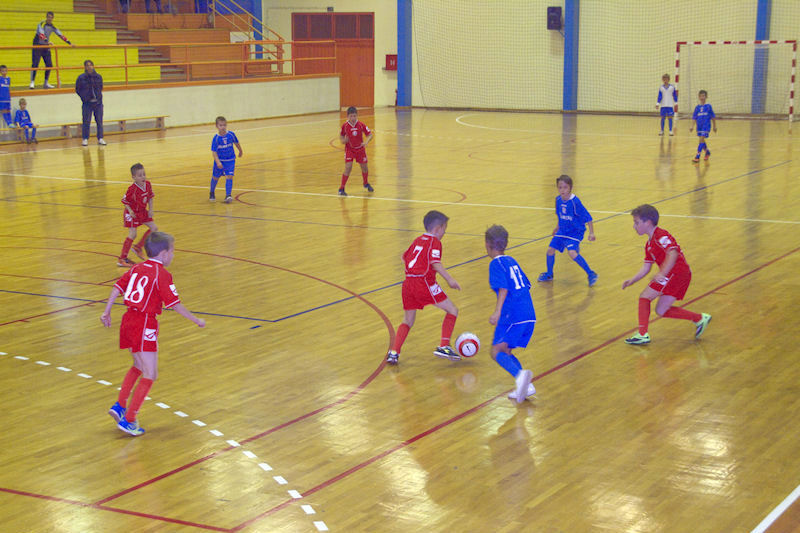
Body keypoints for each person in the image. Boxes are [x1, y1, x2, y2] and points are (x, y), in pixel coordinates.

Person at [101, 231, 206, 436]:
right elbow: (174, 304)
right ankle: (129, 419)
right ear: (164, 253)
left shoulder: (136, 268)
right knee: (151, 373)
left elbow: (117, 287)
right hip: (144, 323)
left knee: (138, 366)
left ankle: (120, 405)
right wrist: (196, 320)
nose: (173, 255)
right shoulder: (162, 274)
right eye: (172, 251)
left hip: (128, 320)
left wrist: (107, 311)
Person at [621, 204, 711, 345]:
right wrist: (632, 280)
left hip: (676, 273)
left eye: (636, 223)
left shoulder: (661, 235)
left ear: (648, 222)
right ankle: (699, 318)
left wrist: (662, 273)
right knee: (661, 310)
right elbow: (646, 267)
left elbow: (673, 253)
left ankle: (643, 334)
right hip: (678, 274)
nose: (634, 226)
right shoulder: (649, 244)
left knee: (645, 297)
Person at [386, 210, 461, 365]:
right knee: (452, 310)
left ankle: (394, 353)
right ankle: (444, 346)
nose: (444, 233)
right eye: (444, 229)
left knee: (408, 320)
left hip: (408, 283)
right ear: (437, 229)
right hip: (424, 282)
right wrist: (450, 279)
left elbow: (404, 257)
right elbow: (435, 262)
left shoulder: (418, 240)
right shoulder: (435, 242)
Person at [485, 225, 536, 403]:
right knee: (505, 351)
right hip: (528, 312)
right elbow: (527, 285)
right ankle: (525, 386)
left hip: (512, 314)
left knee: (495, 351)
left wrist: (497, 311)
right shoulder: (512, 261)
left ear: (487, 244)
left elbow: (503, 288)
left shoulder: (495, 264)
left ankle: (522, 379)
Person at [537, 175, 598, 286]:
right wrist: (557, 228)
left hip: (575, 232)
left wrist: (591, 233)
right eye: (560, 187)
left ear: (570, 188)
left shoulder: (575, 202)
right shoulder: (558, 200)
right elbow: (560, 215)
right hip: (562, 231)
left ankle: (591, 273)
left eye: (565, 187)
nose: (562, 190)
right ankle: (549, 274)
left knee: (572, 253)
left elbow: (588, 217)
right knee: (550, 250)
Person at [118, 163, 158, 267]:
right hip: (132, 213)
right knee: (133, 234)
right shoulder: (132, 189)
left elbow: (150, 197)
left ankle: (138, 247)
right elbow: (125, 201)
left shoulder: (148, 184)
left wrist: (151, 209)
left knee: (154, 228)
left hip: (142, 211)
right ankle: (122, 259)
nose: (143, 177)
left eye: (144, 174)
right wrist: (130, 211)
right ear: (134, 177)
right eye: (140, 175)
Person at [30, 11, 74, 89]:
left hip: (46, 46)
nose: (49, 19)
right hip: (37, 45)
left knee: (49, 65)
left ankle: (46, 82)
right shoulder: (41, 24)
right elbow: (41, 34)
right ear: (46, 17)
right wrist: (47, 41)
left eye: (51, 17)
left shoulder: (52, 26)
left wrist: (69, 43)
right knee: (35, 64)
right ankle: (32, 82)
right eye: (48, 17)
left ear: (53, 18)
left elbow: (60, 34)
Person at [338, 106, 374, 196]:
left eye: (354, 116)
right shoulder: (345, 126)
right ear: (348, 117)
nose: (353, 118)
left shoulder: (361, 125)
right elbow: (341, 136)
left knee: (365, 168)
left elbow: (370, 135)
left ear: (357, 116)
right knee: (348, 167)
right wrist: (343, 141)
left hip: (360, 149)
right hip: (350, 150)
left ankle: (365, 183)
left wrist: (366, 142)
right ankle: (341, 188)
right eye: (351, 116)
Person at [209, 116, 242, 203]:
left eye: (224, 125)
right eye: (220, 125)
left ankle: (228, 195)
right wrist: (218, 162)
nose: (223, 127)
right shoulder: (216, 138)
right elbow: (214, 152)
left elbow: (236, 142)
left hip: (230, 160)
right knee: (215, 177)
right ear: (217, 126)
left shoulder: (231, 134)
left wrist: (240, 150)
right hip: (220, 161)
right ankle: (212, 192)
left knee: (229, 176)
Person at [75, 59, 105, 146]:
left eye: (90, 65)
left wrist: (98, 97)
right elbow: (78, 89)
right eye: (87, 65)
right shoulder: (81, 78)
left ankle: (100, 138)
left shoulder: (98, 77)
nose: (89, 67)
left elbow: (101, 87)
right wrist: (84, 97)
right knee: (86, 121)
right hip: (87, 104)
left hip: (98, 103)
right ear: (85, 67)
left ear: (93, 66)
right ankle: (85, 139)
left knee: (99, 121)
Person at [689, 89, 717, 162]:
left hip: (706, 126)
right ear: (699, 97)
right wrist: (692, 126)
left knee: (701, 139)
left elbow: (713, 117)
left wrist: (714, 126)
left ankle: (697, 156)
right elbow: (694, 117)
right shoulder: (697, 107)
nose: (702, 97)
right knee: (701, 140)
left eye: (703, 96)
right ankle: (707, 152)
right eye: (701, 96)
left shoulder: (708, 106)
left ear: (706, 97)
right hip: (699, 126)